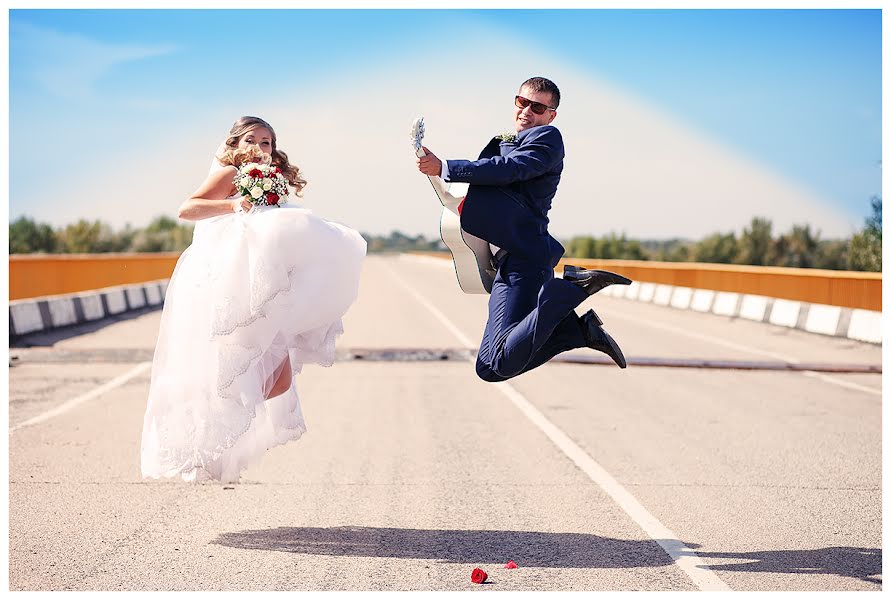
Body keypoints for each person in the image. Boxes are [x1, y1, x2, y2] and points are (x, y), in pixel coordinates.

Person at [141, 116, 366, 483]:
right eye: (253, 140)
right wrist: (235, 205)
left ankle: (226, 416)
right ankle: (213, 422)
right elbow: (187, 208)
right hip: (230, 277)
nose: (261, 148)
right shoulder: (231, 174)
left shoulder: (271, 177)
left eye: (267, 142)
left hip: (259, 283)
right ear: (235, 144)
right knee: (242, 368)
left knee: (278, 381)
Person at [417, 77, 631, 382]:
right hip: (508, 262)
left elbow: (510, 169)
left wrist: (447, 167)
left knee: (498, 364)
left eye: (538, 107)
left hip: (525, 260)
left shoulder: (548, 139)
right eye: (522, 102)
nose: (526, 111)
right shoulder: (512, 139)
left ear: (551, 115)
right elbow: (496, 162)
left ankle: (573, 289)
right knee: (488, 367)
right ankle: (575, 331)